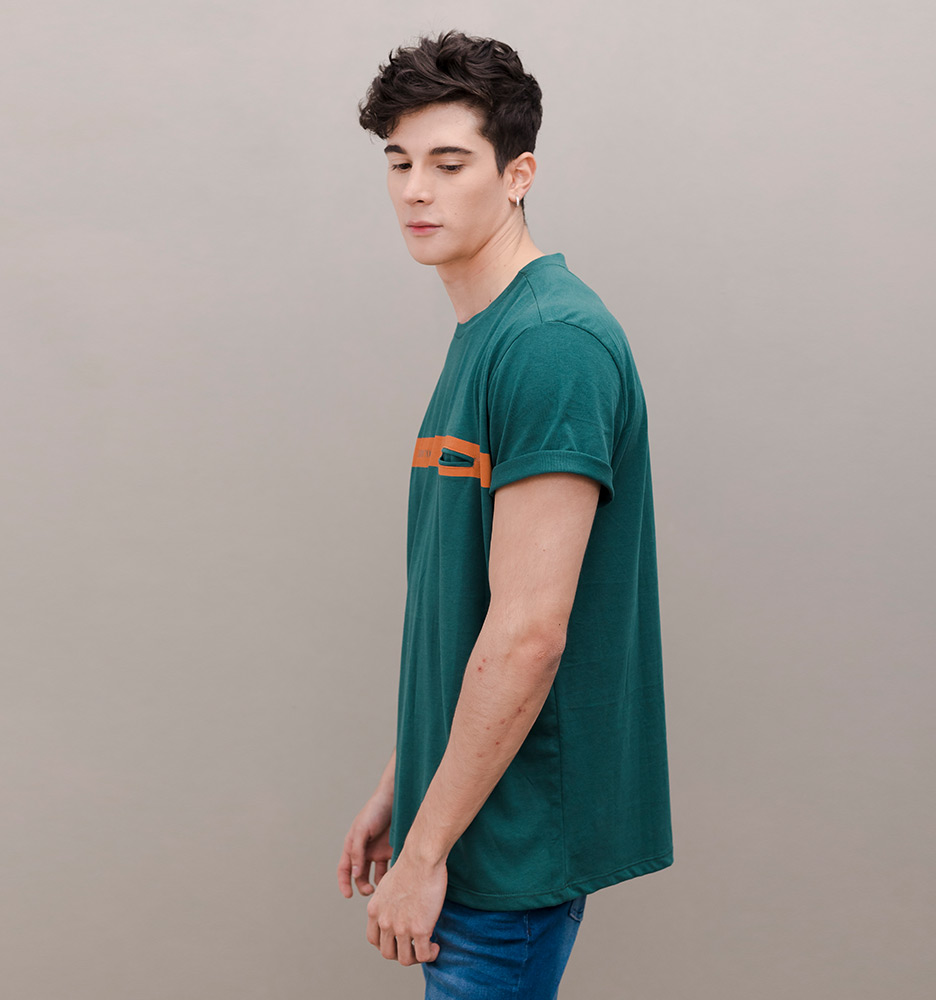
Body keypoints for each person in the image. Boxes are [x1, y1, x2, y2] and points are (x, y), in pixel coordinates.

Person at [336, 30, 673, 999]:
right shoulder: (490, 332)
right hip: (465, 822)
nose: (416, 191)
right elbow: (469, 611)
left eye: (449, 164)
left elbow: (528, 633)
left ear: (518, 174)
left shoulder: (551, 343)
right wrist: (405, 780)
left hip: (502, 848)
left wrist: (425, 851)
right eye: (399, 162)